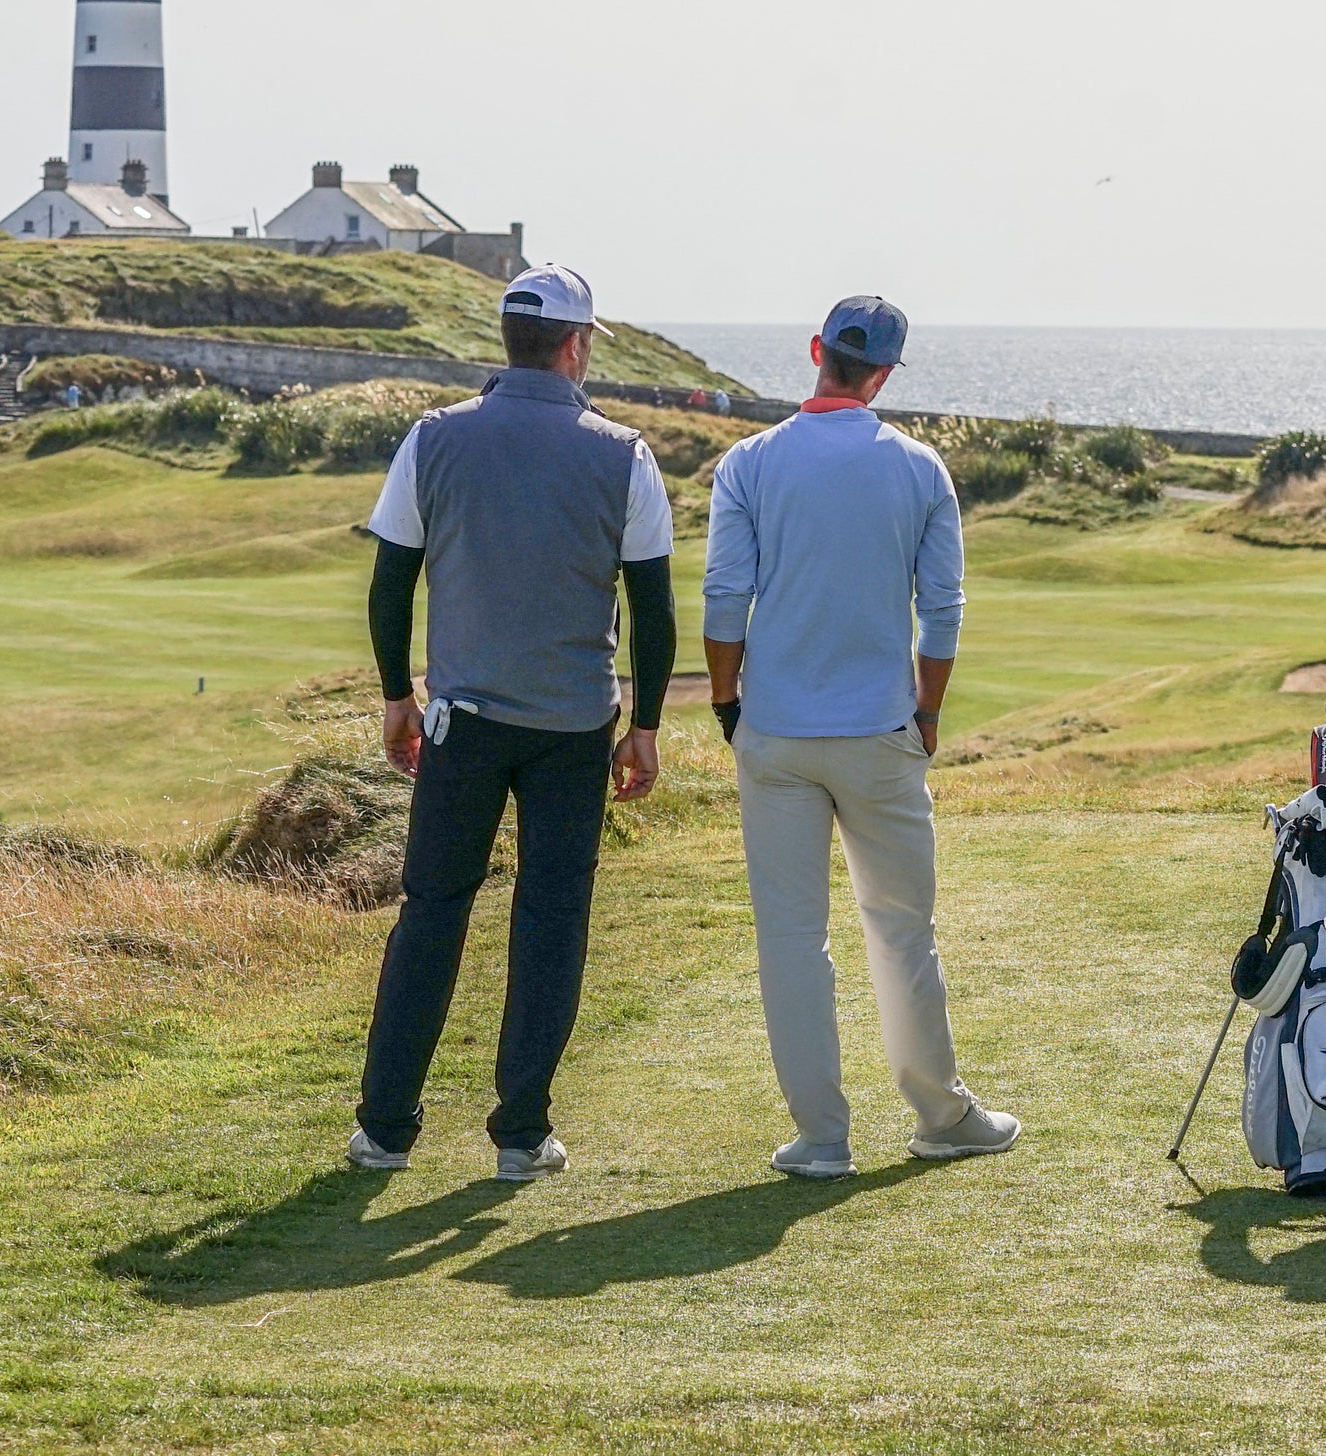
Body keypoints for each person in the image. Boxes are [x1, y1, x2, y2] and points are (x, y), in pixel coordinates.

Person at [345, 265, 677, 1182]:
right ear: (576, 345)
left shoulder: (433, 436)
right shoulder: (625, 453)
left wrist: (397, 698)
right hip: (572, 729)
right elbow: (652, 608)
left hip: (463, 721)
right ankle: (522, 1136)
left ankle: (385, 1131)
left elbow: (390, 582)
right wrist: (646, 725)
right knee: (551, 918)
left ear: (510, 340)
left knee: (432, 912)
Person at [701, 294, 1019, 1179]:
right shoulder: (919, 467)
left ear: (818, 351)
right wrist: (929, 713)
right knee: (902, 928)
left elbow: (725, 598)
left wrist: (727, 703)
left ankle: (822, 1138)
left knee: (791, 938)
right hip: (880, 732)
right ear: (883, 373)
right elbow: (942, 610)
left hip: (774, 731)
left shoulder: (750, 462)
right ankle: (942, 1115)